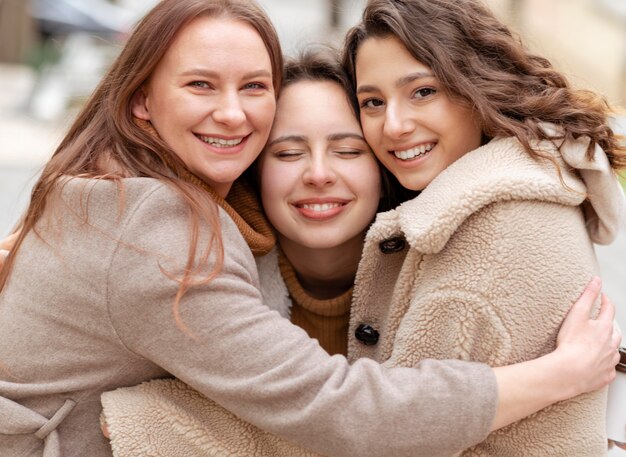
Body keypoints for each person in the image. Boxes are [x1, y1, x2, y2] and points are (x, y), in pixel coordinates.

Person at [0, 1, 620, 456]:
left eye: (253, 86)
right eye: (199, 85)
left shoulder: (123, 202)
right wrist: (557, 375)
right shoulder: (157, 224)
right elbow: (339, 410)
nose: (232, 111)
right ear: (140, 101)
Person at [338, 0, 626, 455]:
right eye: (372, 102)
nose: (393, 125)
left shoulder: (490, 233)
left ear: (476, 86)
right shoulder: (527, 186)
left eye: (422, 91)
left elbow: (389, 435)